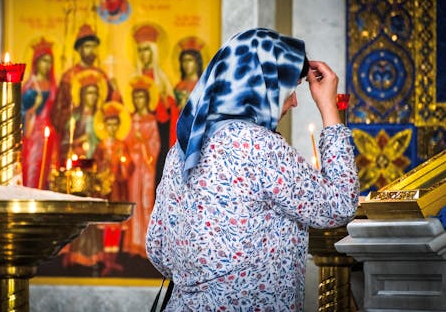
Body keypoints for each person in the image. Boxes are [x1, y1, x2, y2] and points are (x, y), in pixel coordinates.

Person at [146, 28, 360, 311]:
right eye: (290, 90)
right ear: (262, 86)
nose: (295, 102)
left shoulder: (184, 146)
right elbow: (339, 204)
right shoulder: (259, 146)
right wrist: (329, 111)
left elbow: (157, 246)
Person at [51, 23, 120, 163]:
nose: (92, 50)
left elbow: (112, 108)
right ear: (80, 49)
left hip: (99, 141)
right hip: (75, 140)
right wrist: (74, 119)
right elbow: (57, 114)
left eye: (94, 47)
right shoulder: (69, 77)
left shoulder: (102, 77)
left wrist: (115, 91)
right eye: (88, 47)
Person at [133, 24, 179, 184]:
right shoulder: (134, 78)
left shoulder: (162, 80)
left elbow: (169, 112)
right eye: (140, 50)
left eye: (146, 49)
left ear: (153, 51)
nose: (143, 54)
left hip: (158, 136)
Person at [123, 76, 161, 257]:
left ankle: (147, 243)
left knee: (146, 201)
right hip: (134, 167)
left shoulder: (151, 120)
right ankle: (134, 243)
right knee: (134, 201)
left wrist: (143, 144)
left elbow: (155, 146)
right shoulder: (130, 120)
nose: (139, 101)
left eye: (141, 97)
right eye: (135, 97)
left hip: (146, 168)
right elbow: (125, 142)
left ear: (146, 99)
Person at [21, 37, 58, 189]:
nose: (47, 65)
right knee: (32, 168)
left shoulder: (53, 84)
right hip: (33, 134)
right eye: (44, 61)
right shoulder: (31, 84)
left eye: (50, 61)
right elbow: (22, 112)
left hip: (49, 135)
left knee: (48, 171)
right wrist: (34, 108)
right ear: (36, 63)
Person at [174, 36, 204, 110]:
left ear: (197, 62)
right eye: (184, 60)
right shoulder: (178, 87)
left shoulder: (204, 85)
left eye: (190, 60)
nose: (186, 64)